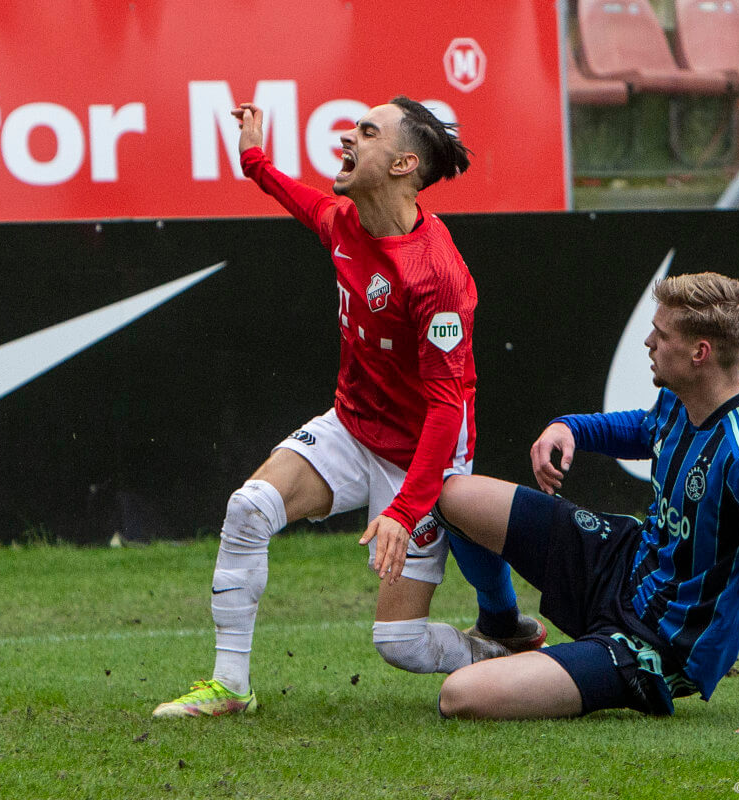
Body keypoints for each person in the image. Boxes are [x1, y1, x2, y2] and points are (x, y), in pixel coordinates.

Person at [152, 97, 545, 717]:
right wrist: (254, 158)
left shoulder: (436, 274)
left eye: (367, 131)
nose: (347, 136)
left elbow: (446, 410)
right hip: (351, 427)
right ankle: (230, 687)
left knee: (400, 644)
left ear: (403, 164)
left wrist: (404, 507)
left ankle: (510, 660)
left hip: (422, 450)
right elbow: (295, 197)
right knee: (248, 509)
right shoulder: (343, 220)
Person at [432, 272, 739, 735]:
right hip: (622, 560)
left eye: (662, 336)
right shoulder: (681, 398)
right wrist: (571, 428)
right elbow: (645, 430)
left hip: (656, 644)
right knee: (452, 494)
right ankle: (502, 626)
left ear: (700, 353)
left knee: (459, 694)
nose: (648, 341)